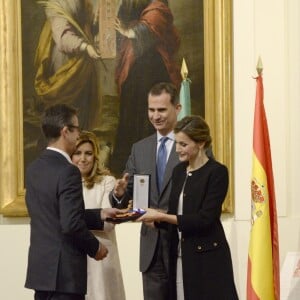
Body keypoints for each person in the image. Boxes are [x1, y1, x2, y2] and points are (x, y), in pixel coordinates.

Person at [24, 104, 123, 300]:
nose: (78, 135)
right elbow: (70, 224)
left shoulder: (34, 168)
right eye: (76, 129)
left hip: (42, 273)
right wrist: (95, 248)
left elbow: (53, 214)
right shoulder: (68, 170)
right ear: (65, 131)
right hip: (65, 275)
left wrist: (99, 215)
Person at [138, 115, 239, 300]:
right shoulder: (178, 172)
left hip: (207, 259)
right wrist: (155, 220)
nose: (177, 149)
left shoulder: (217, 172)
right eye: (176, 143)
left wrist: (162, 217)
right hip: (179, 256)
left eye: (183, 144)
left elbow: (205, 219)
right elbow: (178, 215)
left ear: (200, 143)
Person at [110, 82, 182, 300]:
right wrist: (120, 193)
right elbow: (124, 200)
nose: (155, 116)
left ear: (177, 109)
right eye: (151, 110)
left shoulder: (192, 145)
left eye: (161, 110)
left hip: (183, 243)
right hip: (152, 248)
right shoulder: (139, 149)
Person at [110, 0, 182, 176]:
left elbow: (155, 21)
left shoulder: (156, 5)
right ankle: (126, 162)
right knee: (130, 110)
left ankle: (151, 163)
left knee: (147, 113)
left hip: (152, 66)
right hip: (134, 63)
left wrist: (129, 31)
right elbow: (122, 18)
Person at [71, 131, 126, 300]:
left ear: (95, 156)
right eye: (78, 153)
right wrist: (95, 217)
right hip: (74, 256)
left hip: (101, 258)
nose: (83, 159)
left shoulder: (106, 181)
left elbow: (108, 223)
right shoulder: (65, 183)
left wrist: (74, 220)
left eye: (88, 153)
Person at [34, 0, 101, 130]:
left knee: (82, 108)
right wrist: (85, 47)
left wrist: (96, 24)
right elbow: (63, 38)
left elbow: (83, 27)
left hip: (83, 62)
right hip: (66, 62)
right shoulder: (57, 3)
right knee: (65, 113)